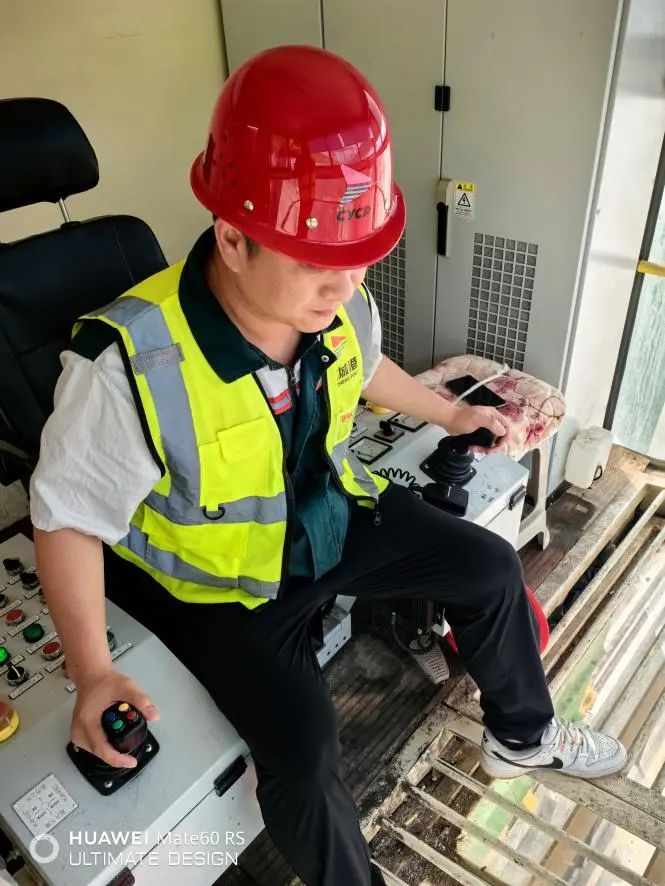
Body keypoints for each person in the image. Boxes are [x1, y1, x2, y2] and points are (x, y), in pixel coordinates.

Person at [30, 45, 626, 886]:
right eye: (314, 262)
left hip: (328, 517)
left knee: (489, 568)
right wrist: (92, 671)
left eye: (358, 257)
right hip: (228, 593)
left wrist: (450, 412)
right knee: (308, 765)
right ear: (232, 239)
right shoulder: (127, 366)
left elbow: (364, 363)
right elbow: (64, 518)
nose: (344, 287)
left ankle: (519, 738)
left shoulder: (335, 298)